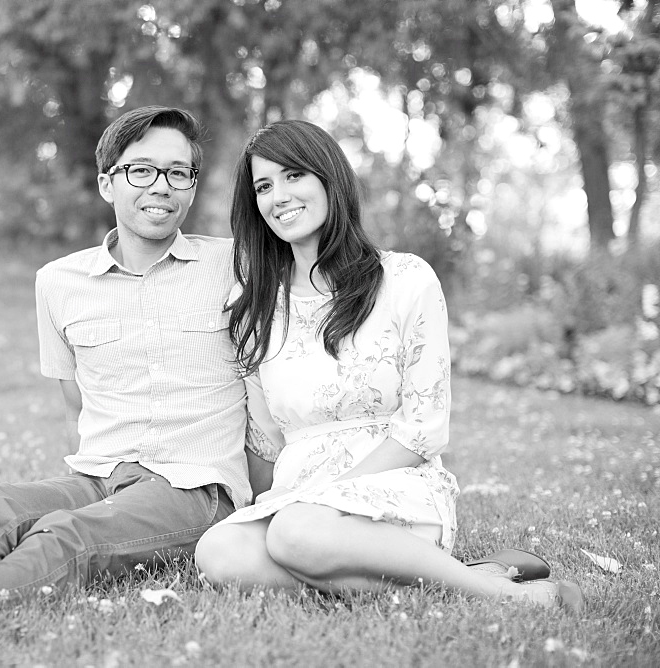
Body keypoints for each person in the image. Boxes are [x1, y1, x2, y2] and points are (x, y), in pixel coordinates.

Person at [0, 107, 551, 643]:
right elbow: (74, 394)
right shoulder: (74, 283)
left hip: (197, 485)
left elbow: (410, 417)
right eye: (143, 170)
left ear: (194, 189)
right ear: (107, 181)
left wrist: (269, 492)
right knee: (2, 503)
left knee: (66, 535)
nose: (161, 186)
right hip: (105, 466)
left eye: (179, 174)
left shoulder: (239, 270)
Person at [193, 119, 584, 613]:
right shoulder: (253, 304)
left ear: (328, 178)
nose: (278, 197)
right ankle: (467, 580)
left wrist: (330, 495)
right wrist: (272, 505)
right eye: (264, 186)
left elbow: (424, 428)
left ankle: (504, 597)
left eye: (293, 176)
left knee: (298, 531)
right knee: (220, 551)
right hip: (301, 497)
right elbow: (267, 436)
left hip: (396, 486)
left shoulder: (404, 279)